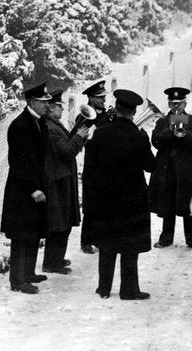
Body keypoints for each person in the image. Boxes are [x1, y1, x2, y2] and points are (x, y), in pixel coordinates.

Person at [83, 88, 157, 300]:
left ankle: (104, 288)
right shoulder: (138, 136)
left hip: (107, 198)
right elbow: (151, 166)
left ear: (115, 109)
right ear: (133, 112)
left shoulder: (101, 134)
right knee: (130, 246)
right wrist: (147, 142)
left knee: (107, 244)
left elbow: (91, 168)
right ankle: (129, 289)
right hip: (132, 199)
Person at [0, 82, 53, 294]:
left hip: (35, 187)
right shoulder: (20, 126)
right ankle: (18, 280)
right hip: (22, 191)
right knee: (21, 236)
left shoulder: (39, 122)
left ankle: (29, 273)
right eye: (43, 102)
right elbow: (19, 162)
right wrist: (33, 189)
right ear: (32, 102)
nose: (47, 106)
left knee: (33, 232)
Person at [149, 86, 192, 248]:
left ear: (185, 104)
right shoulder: (162, 122)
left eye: (179, 103)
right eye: (173, 103)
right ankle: (166, 238)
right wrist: (169, 131)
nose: (176, 106)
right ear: (168, 103)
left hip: (188, 171)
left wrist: (185, 134)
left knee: (188, 206)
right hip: (168, 171)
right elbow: (156, 142)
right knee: (167, 205)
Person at [42, 90, 90, 274]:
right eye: (59, 107)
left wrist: (78, 137)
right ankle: (52, 262)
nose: (61, 111)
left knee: (63, 223)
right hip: (57, 181)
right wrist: (79, 137)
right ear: (52, 108)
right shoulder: (50, 128)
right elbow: (67, 150)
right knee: (59, 224)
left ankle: (57, 259)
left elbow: (68, 145)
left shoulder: (54, 125)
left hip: (61, 178)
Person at [79, 78, 112, 254]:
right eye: (99, 97)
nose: (103, 100)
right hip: (93, 166)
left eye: (103, 96)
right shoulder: (86, 115)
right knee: (91, 206)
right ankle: (86, 241)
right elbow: (86, 139)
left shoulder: (107, 115)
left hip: (107, 166)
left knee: (105, 204)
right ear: (91, 98)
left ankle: (100, 238)